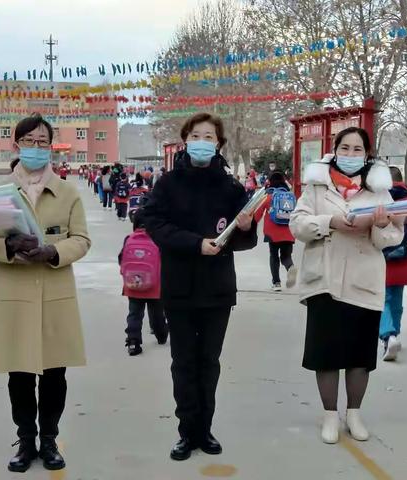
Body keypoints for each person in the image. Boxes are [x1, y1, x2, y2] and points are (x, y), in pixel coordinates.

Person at [142, 112, 258, 461]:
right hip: (178, 286)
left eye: (210, 137)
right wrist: (195, 243)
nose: (202, 142)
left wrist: (247, 225)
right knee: (183, 361)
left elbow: (245, 240)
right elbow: (155, 224)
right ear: (185, 140)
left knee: (209, 361)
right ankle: (185, 430)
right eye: (196, 135)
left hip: (217, 288)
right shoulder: (167, 184)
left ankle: (204, 429)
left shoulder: (231, 187)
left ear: (219, 143)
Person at [290, 127, 403, 445]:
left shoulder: (379, 189)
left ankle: (354, 413)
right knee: (325, 352)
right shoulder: (316, 184)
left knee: (359, 354)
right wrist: (330, 223)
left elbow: (393, 237)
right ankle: (329, 415)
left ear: (367, 154)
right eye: (345, 147)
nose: (351, 155)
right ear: (334, 149)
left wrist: (381, 226)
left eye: (358, 149)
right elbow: (298, 224)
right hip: (324, 279)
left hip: (362, 278)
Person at [0, 114, 91, 472]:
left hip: (54, 294)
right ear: (15, 145)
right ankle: (26, 440)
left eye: (42, 142)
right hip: (15, 294)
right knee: (19, 374)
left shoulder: (67, 192)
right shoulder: (0, 194)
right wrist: (9, 248)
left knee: (54, 374)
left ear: (50, 147)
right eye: (29, 141)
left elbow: (81, 240)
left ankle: (49, 440)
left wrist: (54, 252)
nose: (36, 148)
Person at [380, 167, 407, 361]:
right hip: (405, 258)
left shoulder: (378, 199)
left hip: (382, 257)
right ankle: (395, 331)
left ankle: (389, 334)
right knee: (396, 297)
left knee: (383, 298)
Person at [119, 209, 169, 355]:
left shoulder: (129, 239)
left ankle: (133, 342)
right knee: (157, 315)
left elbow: (121, 259)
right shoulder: (158, 239)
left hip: (133, 286)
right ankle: (161, 335)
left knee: (134, 314)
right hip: (155, 286)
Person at [254, 170, 297, 291]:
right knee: (286, 257)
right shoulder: (291, 197)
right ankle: (290, 268)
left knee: (274, 256)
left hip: (272, 233)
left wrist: (252, 226)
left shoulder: (269, 197)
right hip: (289, 232)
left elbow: (257, 215)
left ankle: (276, 283)